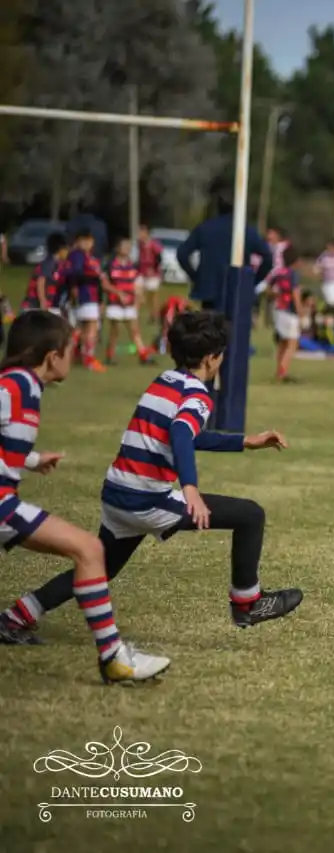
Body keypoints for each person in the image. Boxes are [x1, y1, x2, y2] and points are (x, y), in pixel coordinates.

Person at [3, 312, 302, 645]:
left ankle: (17, 616)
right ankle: (248, 602)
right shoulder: (198, 396)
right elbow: (179, 432)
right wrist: (189, 488)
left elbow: (184, 434)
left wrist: (244, 441)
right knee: (250, 515)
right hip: (146, 501)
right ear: (211, 358)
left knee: (99, 566)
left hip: (117, 493)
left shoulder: (165, 381)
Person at [0, 312, 171, 682]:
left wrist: (30, 459)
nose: (73, 357)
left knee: (88, 550)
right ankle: (114, 658)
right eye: (70, 349)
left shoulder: (16, 383)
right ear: (51, 356)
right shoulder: (21, 387)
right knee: (91, 551)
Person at [175, 186, 273, 313]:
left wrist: (195, 276)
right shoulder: (245, 230)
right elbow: (268, 257)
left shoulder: (205, 228)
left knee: (210, 329)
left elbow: (182, 253)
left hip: (209, 290)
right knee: (234, 330)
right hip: (237, 289)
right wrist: (252, 281)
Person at [66, 230, 114, 371]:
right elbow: (75, 274)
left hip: (91, 297)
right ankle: (88, 358)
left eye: (90, 241)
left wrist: (100, 299)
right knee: (90, 328)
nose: (88, 244)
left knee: (83, 328)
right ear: (78, 241)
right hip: (85, 295)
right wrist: (93, 278)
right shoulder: (77, 256)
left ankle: (77, 355)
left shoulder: (91, 257)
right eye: (84, 240)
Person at [103, 238, 155, 365]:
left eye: (129, 247)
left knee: (134, 330)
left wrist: (139, 296)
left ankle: (143, 355)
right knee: (115, 332)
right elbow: (104, 284)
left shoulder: (133, 265)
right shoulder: (110, 264)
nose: (127, 249)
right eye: (124, 246)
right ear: (118, 248)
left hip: (130, 303)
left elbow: (137, 283)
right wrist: (118, 293)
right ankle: (110, 355)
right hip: (115, 303)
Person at [270, 245, 302, 383]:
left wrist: (276, 295)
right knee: (292, 343)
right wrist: (300, 309)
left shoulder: (278, 273)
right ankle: (283, 372)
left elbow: (269, 289)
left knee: (283, 342)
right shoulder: (292, 274)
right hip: (289, 310)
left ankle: (279, 371)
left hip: (278, 309)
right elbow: (295, 292)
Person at [22, 233, 68, 315]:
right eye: (66, 248)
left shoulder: (58, 264)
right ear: (60, 249)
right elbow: (41, 281)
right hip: (34, 306)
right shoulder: (49, 263)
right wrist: (43, 301)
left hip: (48, 305)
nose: (67, 251)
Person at [135, 224, 165, 324]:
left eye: (141, 232)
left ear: (146, 233)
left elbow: (159, 258)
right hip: (142, 272)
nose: (139, 235)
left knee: (153, 296)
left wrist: (153, 268)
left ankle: (155, 316)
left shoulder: (153, 244)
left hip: (153, 273)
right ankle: (135, 314)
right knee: (138, 291)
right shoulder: (140, 244)